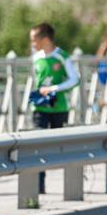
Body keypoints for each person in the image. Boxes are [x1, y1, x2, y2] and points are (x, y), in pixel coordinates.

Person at [29, 22, 80, 192]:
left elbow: (74, 79)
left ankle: (70, 185)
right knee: (38, 146)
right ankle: (39, 185)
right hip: (40, 109)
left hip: (58, 108)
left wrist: (54, 89)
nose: (32, 44)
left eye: (34, 40)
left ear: (44, 39)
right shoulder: (36, 58)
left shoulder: (62, 56)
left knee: (59, 148)